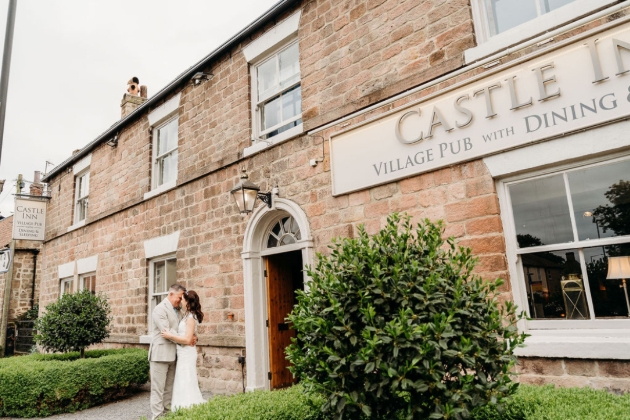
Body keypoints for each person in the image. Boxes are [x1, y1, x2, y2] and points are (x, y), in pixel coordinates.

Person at [148, 283, 195, 420]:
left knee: (169, 389)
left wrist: (192, 336)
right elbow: (167, 331)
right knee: (158, 390)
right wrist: (186, 339)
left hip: (174, 355)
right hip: (160, 356)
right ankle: (157, 417)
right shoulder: (159, 309)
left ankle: (167, 415)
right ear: (171, 294)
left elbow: (184, 328)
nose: (180, 301)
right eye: (179, 297)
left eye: (182, 299)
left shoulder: (179, 310)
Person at [161, 289, 206, 410]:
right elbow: (189, 336)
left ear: (187, 302)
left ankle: (187, 406)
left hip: (187, 353)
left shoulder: (190, 317)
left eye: (183, 299)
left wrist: (170, 335)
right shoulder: (185, 314)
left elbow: (187, 339)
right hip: (182, 353)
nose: (181, 301)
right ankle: (180, 405)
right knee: (182, 379)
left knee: (186, 378)